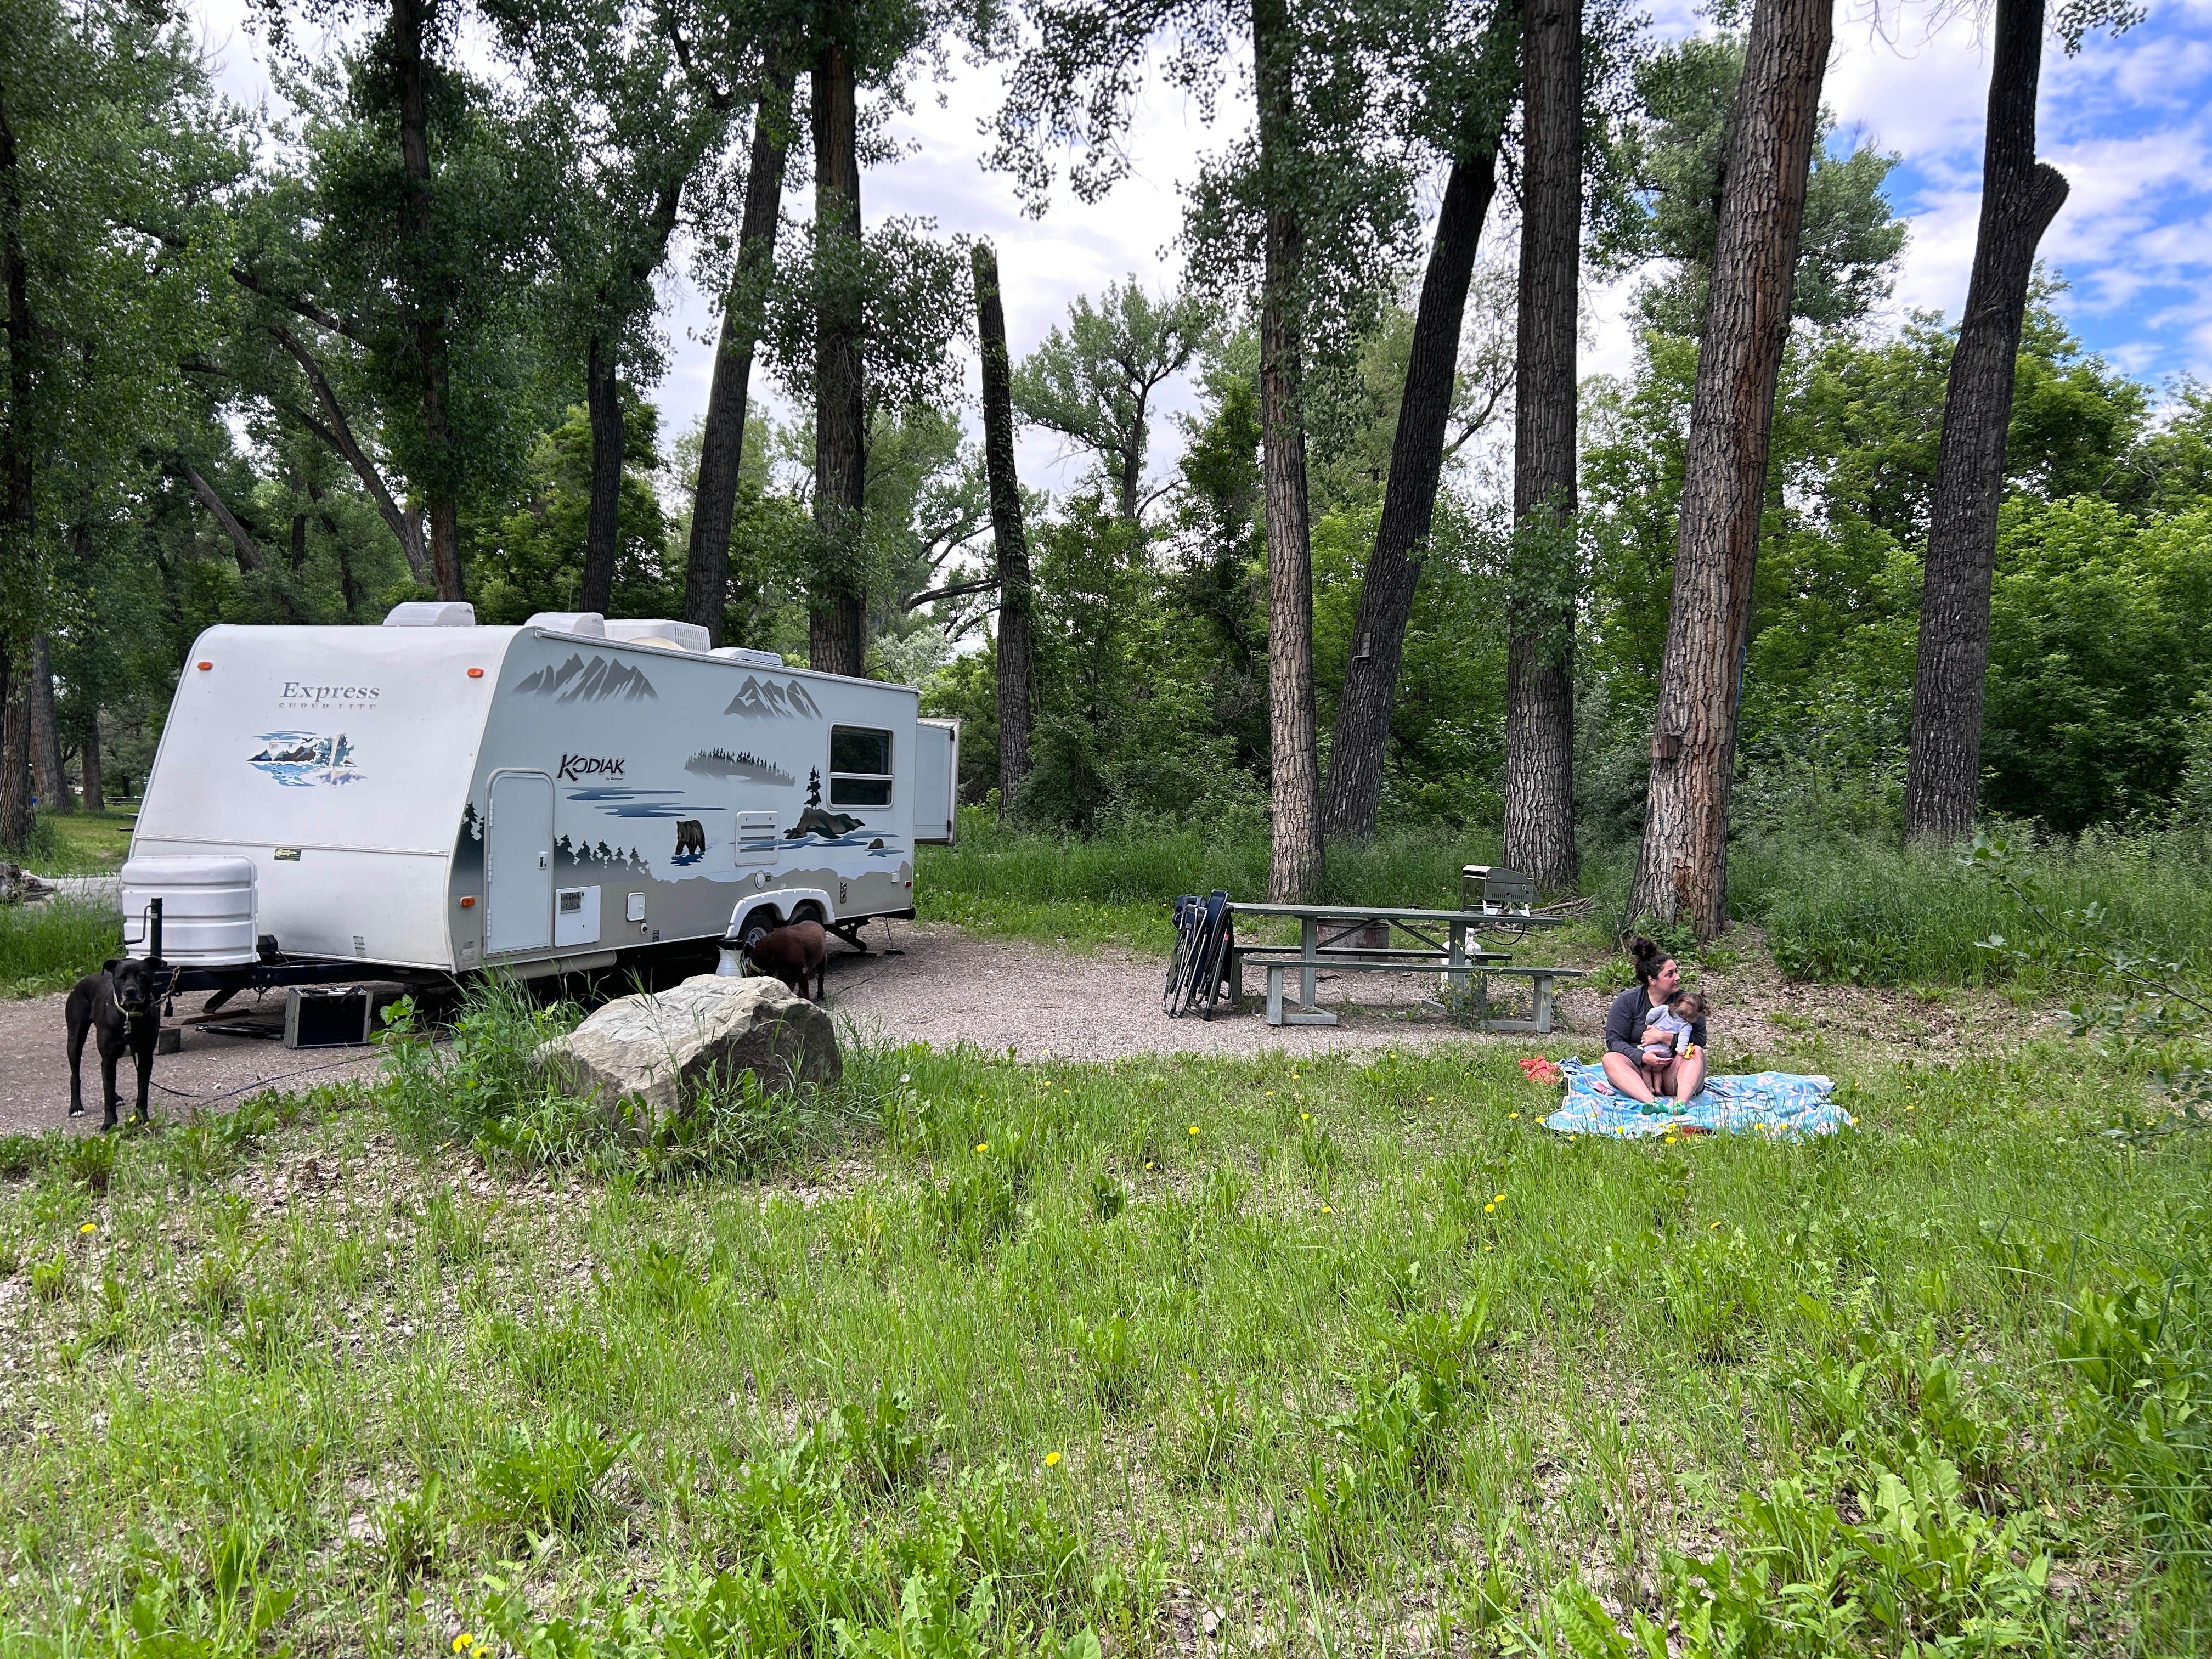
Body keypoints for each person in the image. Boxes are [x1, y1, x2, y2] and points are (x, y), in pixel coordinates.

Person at [1603, 938, 1707, 1109]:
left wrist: (1665, 1038)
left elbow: (1700, 1039)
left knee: (1696, 1052)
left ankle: (1680, 1104)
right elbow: (1614, 1041)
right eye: (1670, 974)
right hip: (1641, 1073)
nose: (1677, 978)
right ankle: (1650, 1103)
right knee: (1610, 1059)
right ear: (1653, 980)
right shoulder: (1628, 1001)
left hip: (1673, 1072)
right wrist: (1642, 1058)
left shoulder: (1689, 1003)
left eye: (1676, 972)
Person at [1641, 989, 1707, 1066]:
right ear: (1691, 1018)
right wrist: (1681, 1049)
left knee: (1646, 1066)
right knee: (1660, 1066)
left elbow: (1651, 1014)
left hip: (1646, 1047)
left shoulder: (1665, 1009)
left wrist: (1649, 1024)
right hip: (1663, 1052)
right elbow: (1683, 1039)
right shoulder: (1686, 1026)